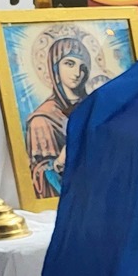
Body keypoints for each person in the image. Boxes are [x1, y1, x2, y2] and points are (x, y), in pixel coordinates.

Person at [25, 35, 94, 199]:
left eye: (82, 67)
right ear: (55, 67)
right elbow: (39, 175)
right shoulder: (42, 119)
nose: (77, 73)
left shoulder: (94, 107)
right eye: (69, 64)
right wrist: (57, 163)